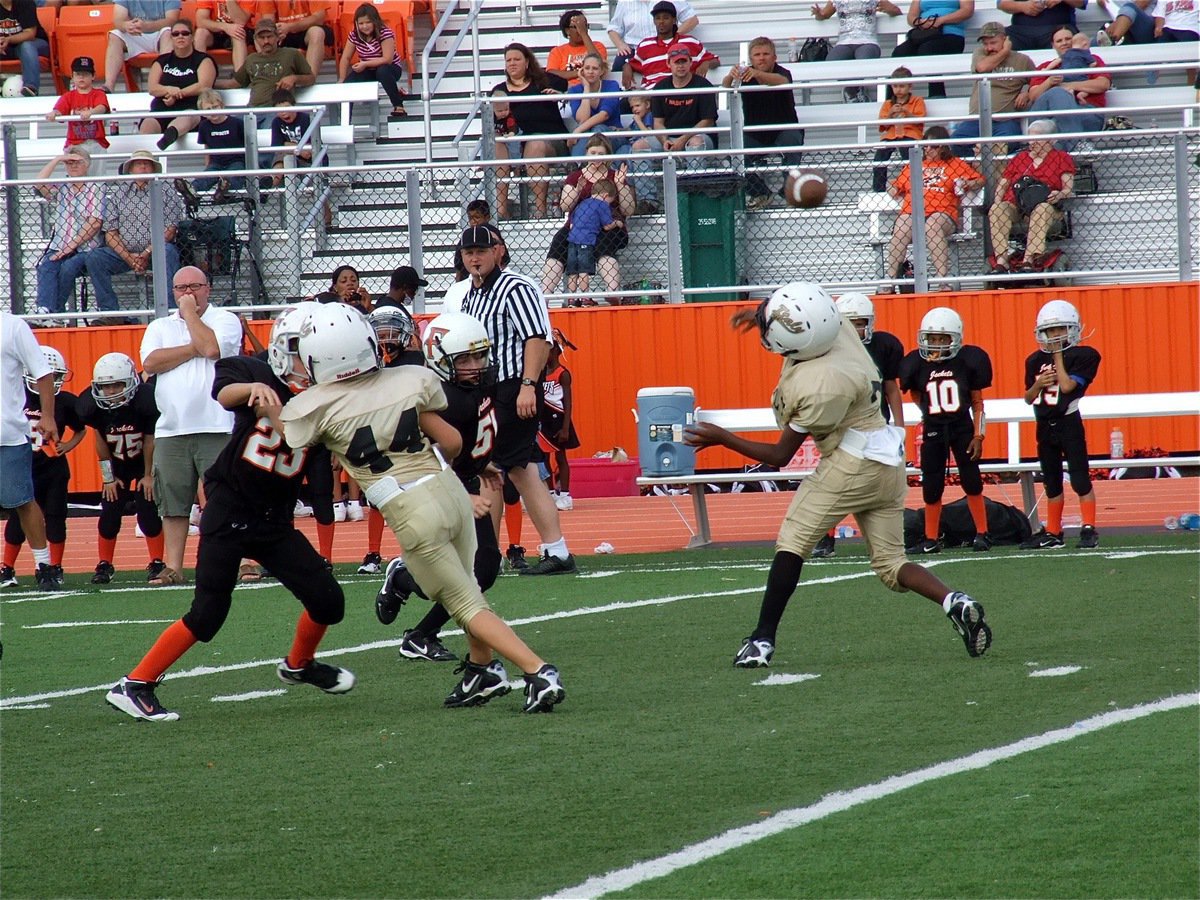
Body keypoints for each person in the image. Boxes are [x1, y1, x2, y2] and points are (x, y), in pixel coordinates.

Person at [683, 283, 992, 667]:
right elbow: (804, 314)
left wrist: (721, 437)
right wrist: (763, 315)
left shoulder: (822, 386)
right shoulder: (839, 327)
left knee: (793, 540)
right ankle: (953, 600)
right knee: (892, 564)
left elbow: (780, 455)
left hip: (852, 462)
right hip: (886, 457)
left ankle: (761, 640)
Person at [279, 304, 566, 712]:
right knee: (469, 583)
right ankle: (481, 670)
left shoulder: (311, 408)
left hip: (410, 509)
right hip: (449, 490)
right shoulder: (411, 378)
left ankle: (537, 671)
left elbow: (291, 440)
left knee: (467, 604)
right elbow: (450, 442)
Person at [105, 302, 355, 722]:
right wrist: (252, 393)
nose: (310, 362)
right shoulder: (257, 371)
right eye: (302, 351)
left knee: (329, 601)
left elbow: (313, 431)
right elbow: (224, 392)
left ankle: (298, 665)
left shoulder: (328, 398)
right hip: (230, 510)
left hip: (275, 520)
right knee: (208, 615)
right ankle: (135, 683)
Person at [374, 311, 502, 666]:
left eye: (480, 355)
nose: (476, 365)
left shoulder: (470, 388)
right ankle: (418, 624)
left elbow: (466, 438)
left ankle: (415, 616)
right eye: (465, 359)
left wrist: (481, 460)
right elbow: (423, 455)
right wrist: (464, 491)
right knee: (473, 569)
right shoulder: (442, 399)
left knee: (483, 567)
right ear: (440, 359)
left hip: (463, 483)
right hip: (433, 491)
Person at [458, 224, 577, 576]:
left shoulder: (516, 287)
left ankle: (488, 555)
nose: (475, 257)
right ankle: (555, 550)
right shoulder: (471, 295)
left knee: (490, 466)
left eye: (482, 250)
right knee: (521, 470)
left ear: (499, 251)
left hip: (512, 388)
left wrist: (528, 384)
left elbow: (536, 338)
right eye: (469, 252)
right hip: (490, 391)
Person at [139, 266, 243, 585]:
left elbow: (212, 349)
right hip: (172, 430)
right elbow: (150, 362)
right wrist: (191, 347)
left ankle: (237, 560)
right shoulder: (159, 326)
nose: (187, 294)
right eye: (180, 289)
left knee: (225, 499)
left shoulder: (225, 319)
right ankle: (173, 566)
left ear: (207, 289)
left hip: (218, 425)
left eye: (194, 287)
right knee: (173, 502)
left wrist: (190, 316)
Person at [812, 291, 906, 559]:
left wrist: (899, 428)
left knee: (881, 486)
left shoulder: (883, 346)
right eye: (849, 322)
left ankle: (883, 541)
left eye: (860, 322)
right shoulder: (827, 349)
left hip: (876, 427)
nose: (855, 328)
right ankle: (826, 538)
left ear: (870, 322)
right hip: (841, 427)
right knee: (833, 483)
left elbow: (892, 389)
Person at [899, 306, 995, 554]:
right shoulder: (916, 364)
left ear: (956, 338)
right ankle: (931, 539)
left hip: (962, 425)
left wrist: (978, 435)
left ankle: (982, 534)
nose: (938, 344)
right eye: (933, 339)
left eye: (943, 338)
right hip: (934, 427)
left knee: (972, 481)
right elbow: (917, 396)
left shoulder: (967, 361)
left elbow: (978, 403)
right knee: (931, 484)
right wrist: (930, 415)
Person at [74, 352, 166, 584]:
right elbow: (100, 441)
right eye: (106, 386)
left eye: (117, 385)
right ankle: (105, 563)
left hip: (144, 459)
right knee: (109, 512)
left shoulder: (146, 400)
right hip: (117, 464)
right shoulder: (92, 406)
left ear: (131, 382)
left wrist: (148, 475)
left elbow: (149, 440)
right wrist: (108, 478)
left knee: (148, 511)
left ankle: (157, 562)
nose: (112, 391)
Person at [1021, 299, 1102, 550]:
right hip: (1044, 424)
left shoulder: (1084, 355)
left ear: (1073, 329)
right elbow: (1028, 397)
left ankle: (1088, 528)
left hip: (1068, 421)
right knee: (1051, 480)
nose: (1054, 335)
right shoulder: (1033, 360)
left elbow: (1067, 386)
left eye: (1060, 330)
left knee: (1079, 477)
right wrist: (1039, 383)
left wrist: (1057, 357)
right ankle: (1054, 531)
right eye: (1050, 331)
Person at [2, 347, 84, 588]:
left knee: (56, 518)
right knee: (18, 519)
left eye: (58, 376)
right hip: (22, 465)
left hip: (53, 469)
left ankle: (54, 567)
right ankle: (7, 568)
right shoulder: (16, 396)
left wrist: (67, 445)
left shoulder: (65, 402)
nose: (53, 381)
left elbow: (81, 429)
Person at [355, 304, 422, 576]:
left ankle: (418, 551)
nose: (385, 339)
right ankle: (373, 552)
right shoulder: (367, 363)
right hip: (381, 434)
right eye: (380, 333)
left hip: (409, 435)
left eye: (391, 332)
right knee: (378, 496)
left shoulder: (414, 362)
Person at [85, 150, 185, 316]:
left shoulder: (167, 192)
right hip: (124, 254)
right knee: (94, 258)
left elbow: (170, 230)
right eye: (139, 163)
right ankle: (109, 312)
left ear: (154, 168)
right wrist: (130, 258)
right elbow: (110, 233)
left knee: (169, 252)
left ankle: (171, 310)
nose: (143, 166)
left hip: (156, 252)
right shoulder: (118, 194)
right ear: (130, 169)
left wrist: (146, 253)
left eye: (147, 163)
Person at [0, 312, 59, 592]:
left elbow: (42, 372)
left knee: (22, 501)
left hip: (8, 432)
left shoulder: (12, 327)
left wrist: (48, 416)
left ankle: (44, 566)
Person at [885, 125, 984, 289]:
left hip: (942, 212)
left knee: (932, 225)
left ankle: (942, 281)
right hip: (913, 212)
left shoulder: (954, 164)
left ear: (943, 147)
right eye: (926, 145)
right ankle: (890, 282)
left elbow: (980, 180)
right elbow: (895, 186)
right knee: (901, 226)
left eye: (934, 146)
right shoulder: (914, 165)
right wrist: (891, 188)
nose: (928, 150)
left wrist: (967, 183)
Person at [542, 135, 635, 300]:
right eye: (593, 153)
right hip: (578, 227)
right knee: (559, 242)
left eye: (601, 154)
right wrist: (577, 190)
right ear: (586, 154)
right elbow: (565, 206)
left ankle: (613, 292)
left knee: (604, 244)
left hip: (609, 225)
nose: (597, 158)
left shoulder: (615, 176)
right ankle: (545, 296)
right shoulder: (576, 177)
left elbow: (628, 209)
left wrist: (620, 185)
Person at [630, 44, 718, 215]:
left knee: (696, 141)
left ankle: (694, 196)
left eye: (684, 61)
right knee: (639, 146)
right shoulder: (661, 87)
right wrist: (665, 140)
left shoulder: (703, 84)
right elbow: (658, 123)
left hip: (697, 135)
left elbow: (707, 121)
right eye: (676, 62)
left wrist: (682, 139)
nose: (680, 65)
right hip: (669, 136)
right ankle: (648, 201)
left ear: (690, 62)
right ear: (668, 63)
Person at [721, 37, 805, 210]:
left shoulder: (783, 72)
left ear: (774, 57)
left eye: (766, 54)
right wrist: (731, 75)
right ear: (751, 59)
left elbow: (783, 82)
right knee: (732, 160)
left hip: (784, 130)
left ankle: (790, 193)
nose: (761, 58)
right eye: (757, 55)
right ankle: (761, 193)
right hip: (755, 134)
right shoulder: (745, 75)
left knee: (792, 142)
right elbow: (726, 86)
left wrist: (758, 74)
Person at [988, 118, 1075, 273]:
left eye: (1037, 138)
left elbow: (1068, 189)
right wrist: (996, 201)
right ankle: (1002, 259)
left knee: (1042, 208)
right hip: (1017, 205)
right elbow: (1003, 184)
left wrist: (1060, 194)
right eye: (1030, 138)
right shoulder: (1020, 158)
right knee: (997, 209)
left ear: (1051, 140)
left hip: (1047, 206)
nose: (1032, 142)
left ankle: (1028, 258)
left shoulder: (1062, 158)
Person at [492, 43, 568, 219]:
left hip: (549, 142)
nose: (512, 63)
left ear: (527, 62)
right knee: (496, 145)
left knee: (535, 144)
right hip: (514, 144)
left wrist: (559, 94)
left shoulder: (544, 81)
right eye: (508, 60)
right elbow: (493, 124)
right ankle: (501, 209)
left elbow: (566, 84)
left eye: (517, 59)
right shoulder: (499, 92)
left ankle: (540, 210)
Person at [33, 147, 103, 321]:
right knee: (46, 266)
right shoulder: (63, 187)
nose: (72, 166)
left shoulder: (96, 186)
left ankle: (55, 313)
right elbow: (39, 184)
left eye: (77, 162)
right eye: (69, 162)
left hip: (85, 248)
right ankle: (45, 310)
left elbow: (94, 223)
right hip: (60, 245)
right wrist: (57, 159)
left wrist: (70, 247)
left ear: (86, 164)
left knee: (67, 268)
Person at [951, 23, 1036, 154]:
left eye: (993, 42)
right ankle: (977, 172)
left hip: (1005, 120)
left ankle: (992, 169)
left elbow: (1036, 82)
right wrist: (1005, 51)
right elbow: (982, 68)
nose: (989, 47)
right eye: (985, 43)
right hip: (977, 119)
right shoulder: (980, 53)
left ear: (1005, 39)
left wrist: (1027, 92)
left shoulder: (1022, 60)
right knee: (955, 144)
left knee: (1009, 144)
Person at [1028, 27, 1111, 150]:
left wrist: (1068, 86)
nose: (1065, 43)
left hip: (1086, 114)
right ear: (1053, 45)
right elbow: (1034, 96)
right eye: (1059, 40)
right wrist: (1049, 82)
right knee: (1057, 93)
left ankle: (1063, 152)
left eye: (1068, 39)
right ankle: (1077, 146)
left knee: (1052, 131)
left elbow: (1103, 84)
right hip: (1048, 115)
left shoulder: (1091, 59)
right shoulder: (1046, 67)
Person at [142, 18, 216, 149]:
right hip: (161, 109)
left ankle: (166, 140)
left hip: (191, 110)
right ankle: (145, 157)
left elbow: (204, 85)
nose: (180, 36)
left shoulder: (203, 59)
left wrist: (178, 94)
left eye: (185, 33)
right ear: (171, 38)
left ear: (192, 37)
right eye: (175, 34)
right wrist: (169, 89)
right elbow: (152, 88)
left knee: (187, 117)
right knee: (147, 124)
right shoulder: (162, 61)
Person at [812, 0, 903, 100]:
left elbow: (896, 11)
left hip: (867, 40)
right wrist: (818, 14)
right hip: (845, 41)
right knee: (832, 61)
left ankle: (854, 91)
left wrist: (890, 10)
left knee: (864, 60)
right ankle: (853, 90)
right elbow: (824, 15)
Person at [219, 17, 314, 109]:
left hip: (277, 110)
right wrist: (208, 84)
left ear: (277, 37)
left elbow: (311, 78)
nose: (266, 41)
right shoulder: (251, 59)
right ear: (255, 39)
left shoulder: (292, 54)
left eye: (269, 36)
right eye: (261, 38)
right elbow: (234, 83)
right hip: (253, 109)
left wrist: (294, 78)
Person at [623, 0, 717, 91]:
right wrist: (627, 68)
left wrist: (706, 63)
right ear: (654, 21)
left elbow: (715, 60)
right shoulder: (645, 45)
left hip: (684, 95)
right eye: (658, 18)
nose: (661, 21)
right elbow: (632, 63)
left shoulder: (690, 42)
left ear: (674, 20)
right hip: (654, 97)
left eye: (666, 18)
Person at [337, 3, 407, 120]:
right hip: (368, 70)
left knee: (382, 71)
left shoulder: (385, 32)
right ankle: (346, 122)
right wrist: (341, 78)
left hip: (390, 68)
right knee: (348, 84)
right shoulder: (354, 35)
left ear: (375, 21)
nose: (365, 26)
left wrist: (365, 63)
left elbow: (387, 59)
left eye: (368, 22)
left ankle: (398, 105)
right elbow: (345, 58)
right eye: (361, 23)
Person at [892, 0, 975, 98]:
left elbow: (967, 10)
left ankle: (937, 95)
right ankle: (893, 99)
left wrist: (941, 20)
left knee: (928, 49)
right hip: (925, 34)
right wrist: (921, 22)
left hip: (951, 34)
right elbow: (911, 16)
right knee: (899, 52)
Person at [537, 335, 580, 511]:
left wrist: (565, 428)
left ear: (554, 351)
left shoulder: (563, 373)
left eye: (545, 350)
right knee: (543, 456)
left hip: (559, 418)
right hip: (544, 419)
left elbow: (568, 402)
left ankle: (565, 496)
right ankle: (552, 493)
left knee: (560, 457)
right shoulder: (541, 373)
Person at [101, 0, 182, 93]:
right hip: (135, 33)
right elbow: (118, 19)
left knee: (168, 32)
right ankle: (108, 86)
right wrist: (126, 25)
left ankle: (165, 83)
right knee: (114, 35)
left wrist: (147, 26)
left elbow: (172, 20)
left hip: (160, 33)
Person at [872, 66, 926, 192]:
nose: (898, 90)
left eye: (902, 86)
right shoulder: (887, 104)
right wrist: (890, 114)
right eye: (895, 86)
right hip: (891, 135)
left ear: (910, 86)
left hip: (910, 134)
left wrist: (907, 112)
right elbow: (882, 127)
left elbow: (920, 120)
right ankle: (878, 189)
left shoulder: (917, 101)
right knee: (879, 157)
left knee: (908, 156)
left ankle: (911, 187)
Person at [607, 0, 699, 73]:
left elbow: (692, 19)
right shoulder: (624, 2)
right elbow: (614, 27)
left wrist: (674, 38)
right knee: (618, 68)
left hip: (664, 46)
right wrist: (620, 44)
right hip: (634, 49)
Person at [46, 56, 111, 158]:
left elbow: (102, 107)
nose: (81, 77)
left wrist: (91, 112)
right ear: (72, 76)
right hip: (74, 144)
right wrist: (54, 113)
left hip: (95, 141)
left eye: (85, 74)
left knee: (98, 174)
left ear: (93, 76)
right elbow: (59, 110)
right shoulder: (68, 96)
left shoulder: (99, 94)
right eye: (78, 74)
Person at [565, 178, 619, 300]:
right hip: (586, 241)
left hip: (572, 239)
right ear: (606, 196)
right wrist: (617, 223)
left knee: (573, 272)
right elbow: (607, 226)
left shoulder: (582, 203)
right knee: (584, 270)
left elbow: (572, 224)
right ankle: (585, 297)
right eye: (610, 201)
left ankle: (571, 299)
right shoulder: (602, 204)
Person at [566, 52, 625, 154]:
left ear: (601, 71)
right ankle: (580, 167)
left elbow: (604, 115)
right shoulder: (574, 90)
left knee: (598, 129)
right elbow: (582, 119)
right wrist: (586, 88)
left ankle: (583, 165)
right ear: (582, 70)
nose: (590, 72)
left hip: (613, 134)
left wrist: (577, 131)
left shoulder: (611, 85)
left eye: (595, 68)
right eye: (587, 68)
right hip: (587, 134)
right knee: (588, 134)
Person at [193, 87, 247, 195]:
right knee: (205, 178)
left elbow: (246, 144)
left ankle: (223, 190)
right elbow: (207, 147)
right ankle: (192, 190)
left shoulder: (236, 123)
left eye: (215, 107)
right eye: (208, 109)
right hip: (216, 163)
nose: (212, 112)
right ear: (202, 113)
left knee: (234, 177)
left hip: (236, 162)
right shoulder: (204, 126)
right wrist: (207, 166)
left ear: (221, 106)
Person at [265, 0, 332, 78]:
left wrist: (290, 27)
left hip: (308, 28)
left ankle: (310, 77)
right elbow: (268, 21)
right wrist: (276, 31)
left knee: (317, 33)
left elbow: (318, 18)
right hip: (283, 31)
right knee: (264, 35)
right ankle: (269, 80)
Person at [0, 0, 49, 96]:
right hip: (5, 47)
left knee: (26, 46)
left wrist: (8, 40)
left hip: (35, 45)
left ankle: (31, 88)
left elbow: (30, 33)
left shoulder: (25, 3)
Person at [545, 8, 605, 85]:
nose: (580, 30)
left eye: (584, 26)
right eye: (576, 27)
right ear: (567, 30)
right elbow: (551, 75)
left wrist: (584, 34)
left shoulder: (598, 46)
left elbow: (600, 65)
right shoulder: (557, 51)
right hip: (567, 91)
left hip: (593, 89)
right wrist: (581, 73)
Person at [1099, 0, 1199, 45]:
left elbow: (1142, 3)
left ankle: (1113, 39)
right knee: (1091, 45)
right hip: (1125, 27)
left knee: (1130, 7)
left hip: (1146, 29)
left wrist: (1116, 23)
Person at [267, 87, 313, 184]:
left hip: (310, 163)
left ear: (294, 106)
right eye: (279, 110)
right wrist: (295, 148)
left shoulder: (305, 119)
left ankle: (271, 181)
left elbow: (307, 153)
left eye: (287, 107)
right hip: (289, 161)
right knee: (282, 156)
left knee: (284, 155)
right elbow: (276, 148)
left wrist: (286, 145)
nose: (284, 113)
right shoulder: (276, 122)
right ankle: (268, 183)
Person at [999, 0, 1086, 50]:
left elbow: (1081, 2)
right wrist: (1022, 6)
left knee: (1066, 36)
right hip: (1021, 32)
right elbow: (1001, 4)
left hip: (1057, 29)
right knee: (1000, 39)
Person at [195, 0, 250, 71]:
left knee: (238, 33)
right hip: (215, 31)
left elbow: (241, 21)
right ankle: (198, 75)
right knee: (200, 32)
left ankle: (240, 77)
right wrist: (225, 27)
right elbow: (200, 21)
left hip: (238, 30)